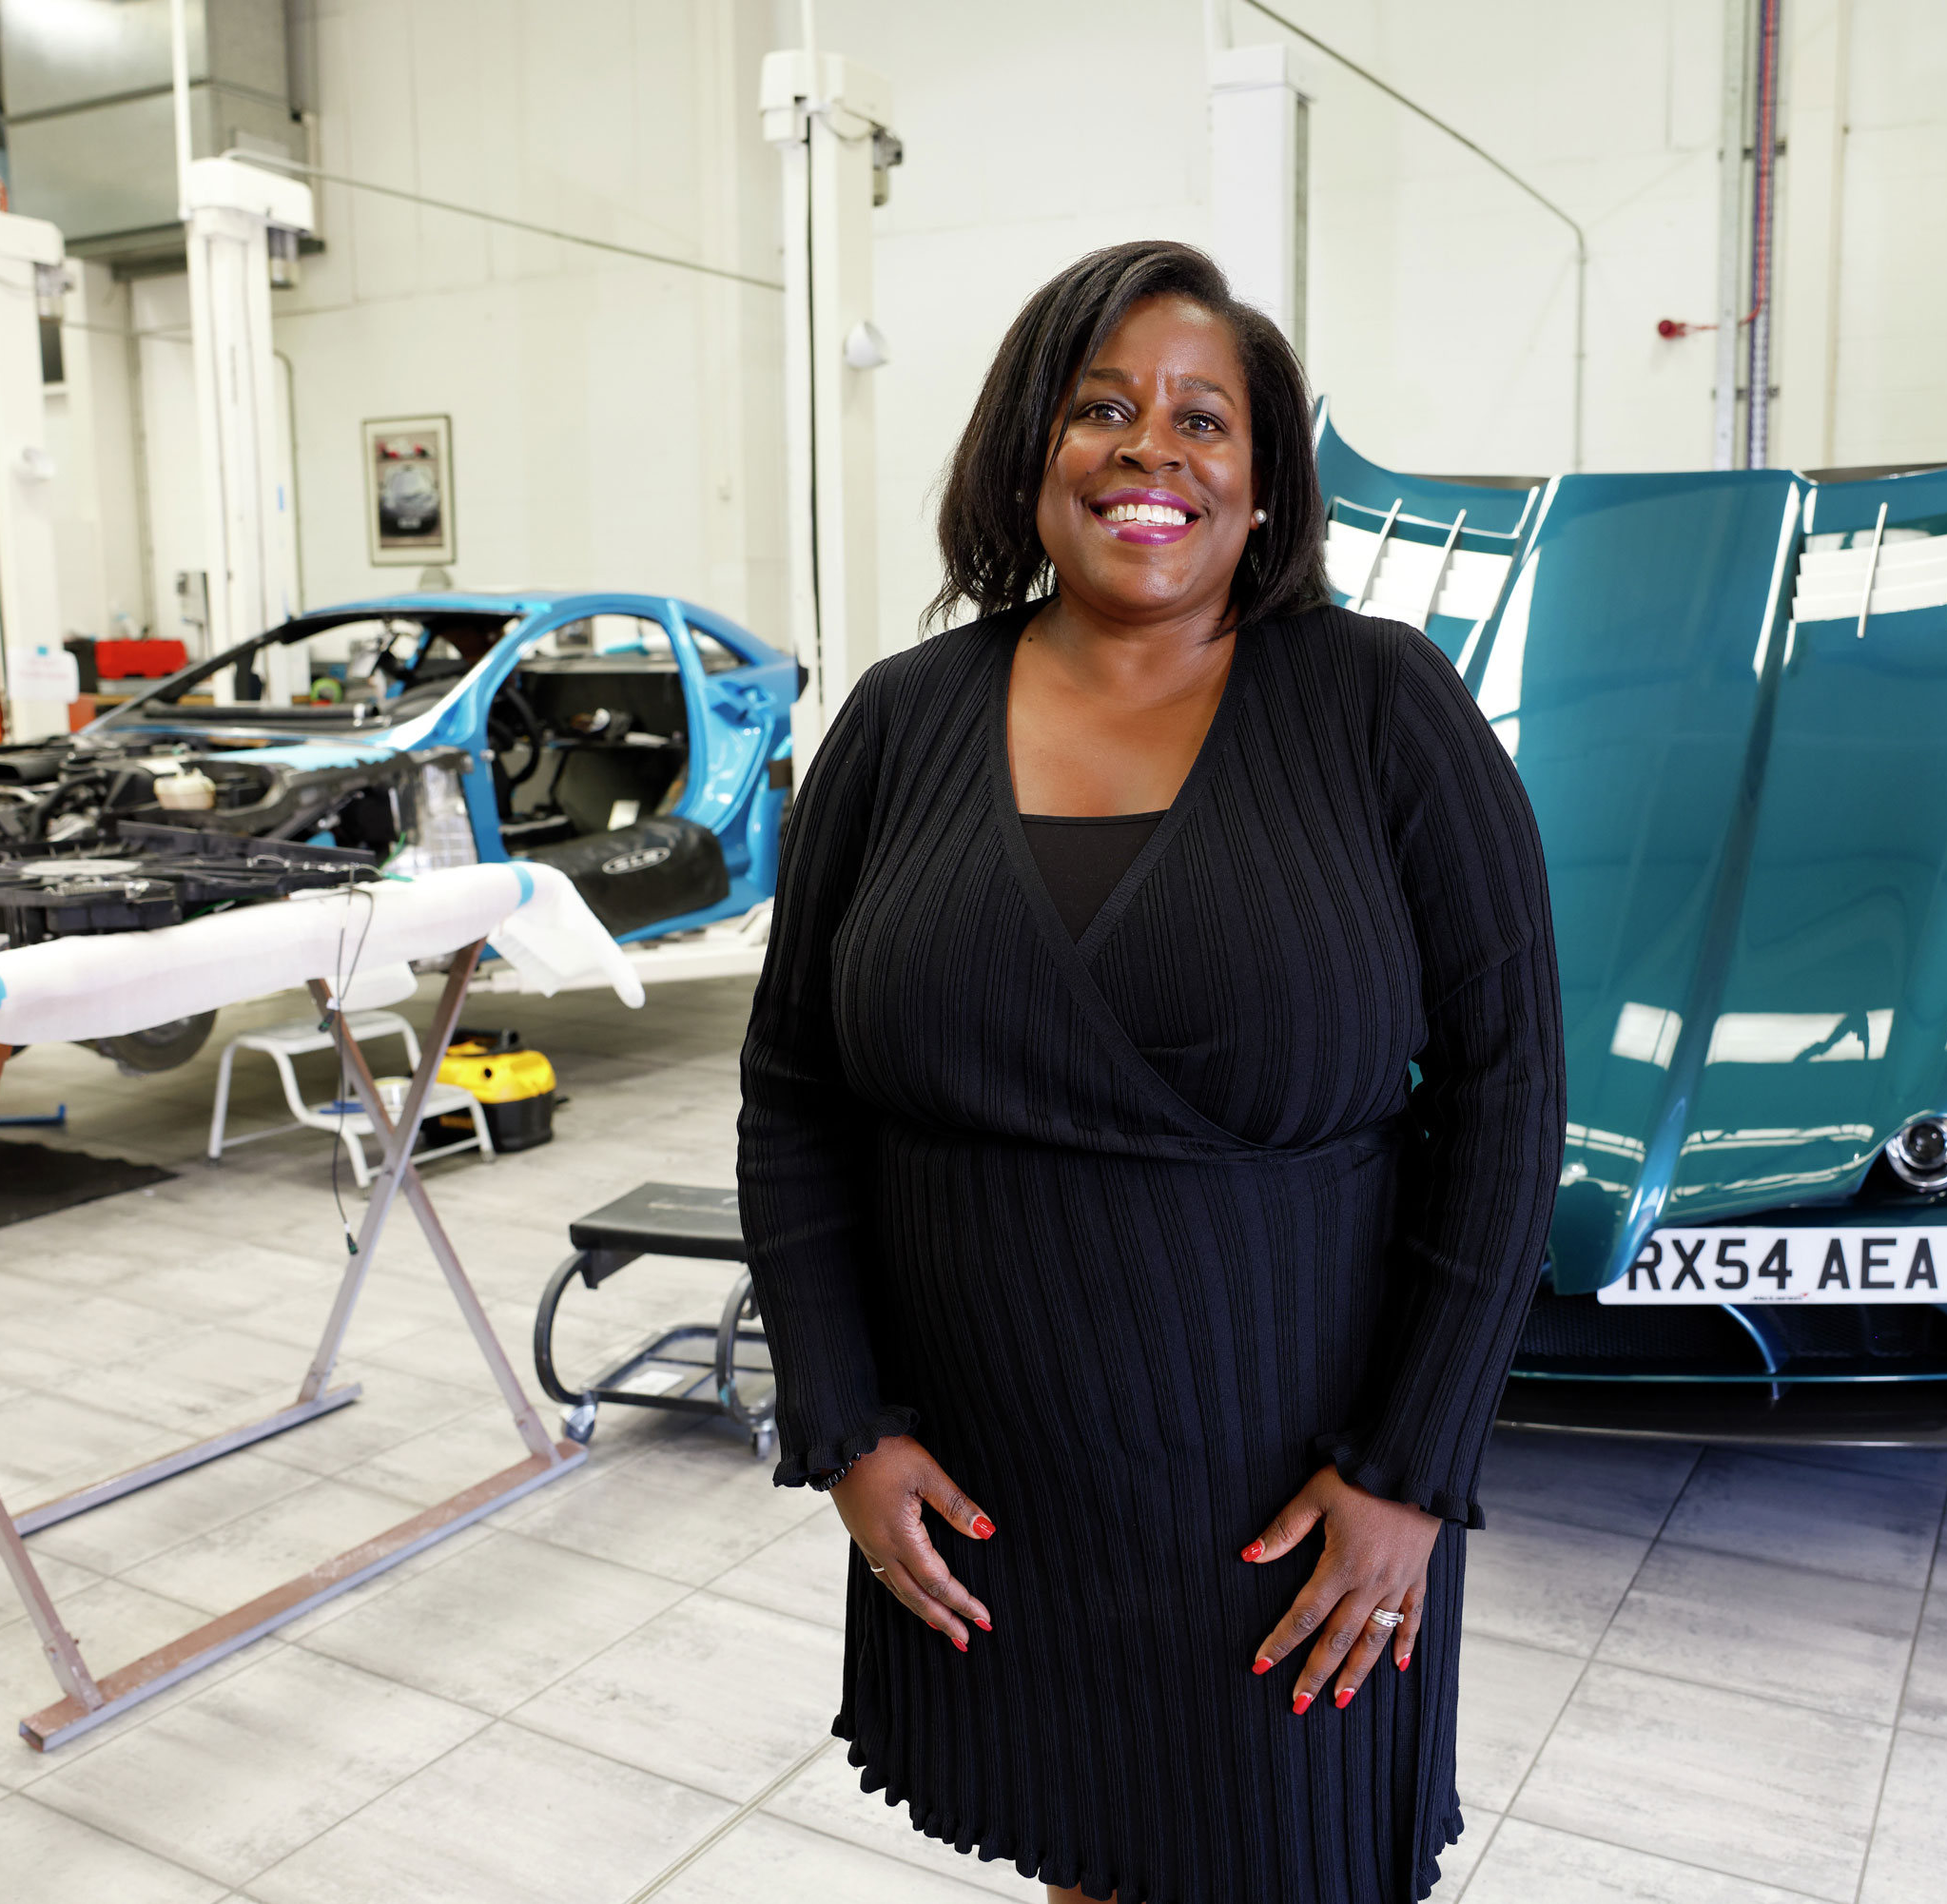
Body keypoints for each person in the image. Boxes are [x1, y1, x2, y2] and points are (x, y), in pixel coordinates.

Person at [737, 239, 1563, 1904]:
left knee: (1292, 1861)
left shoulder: (1379, 706)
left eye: (1206, 420)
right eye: (1103, 406)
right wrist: (841, 1424)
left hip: (1295, 1489)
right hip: (996, 1496)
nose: (1149, 450)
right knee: (1089, 1862)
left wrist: (1411, 1466)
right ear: (1028, 449)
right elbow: (795, 1093)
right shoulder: (900, 724)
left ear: (1265, 489)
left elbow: (1506, 1092)